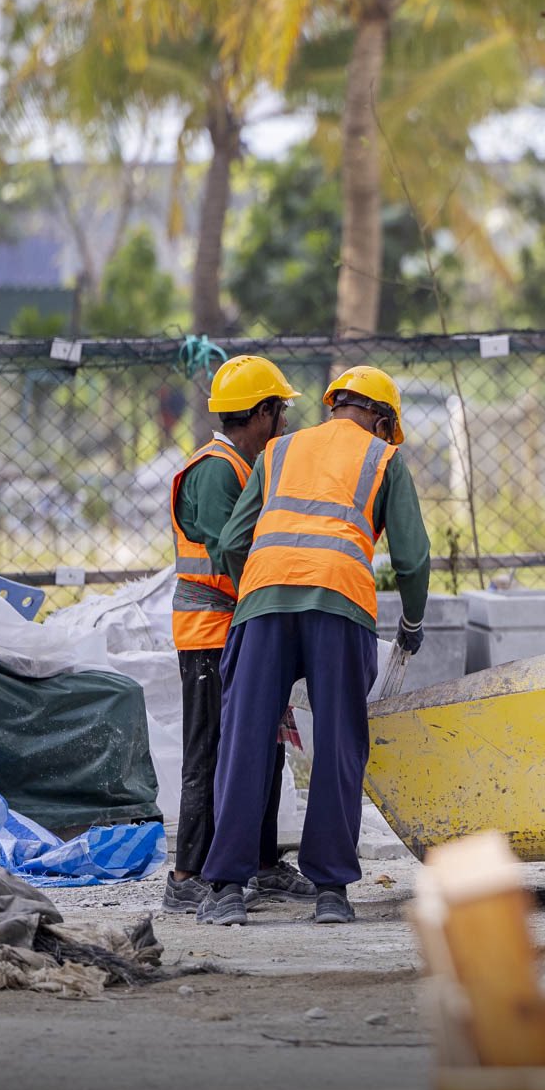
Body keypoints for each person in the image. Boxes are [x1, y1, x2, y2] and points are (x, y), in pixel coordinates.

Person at [197, 365, 430, 926]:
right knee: (338, 743)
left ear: (334, 407)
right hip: (340, 603)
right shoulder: (384, 458)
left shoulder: (280, 451)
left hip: (263, 603)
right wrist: (413, 625)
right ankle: (330, 893)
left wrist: (256, 586)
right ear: (381, 420)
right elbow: (413, 558)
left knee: (245, 740)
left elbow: (231, 541)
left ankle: (227, 888)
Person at [163, 354, 319, 913]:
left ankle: (261, 861)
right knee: (210, 753)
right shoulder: (216, 471)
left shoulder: (241, 468)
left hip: (235, 628)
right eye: (278, 410)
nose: (283, 422)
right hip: (211, 631)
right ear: (260, 413)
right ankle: (187, 876)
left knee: (260, 749)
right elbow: (232, 551)